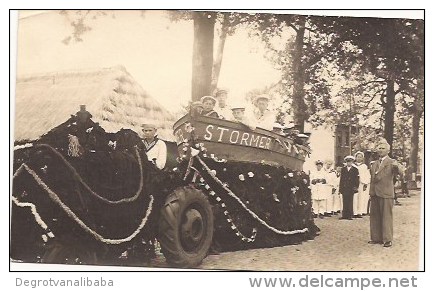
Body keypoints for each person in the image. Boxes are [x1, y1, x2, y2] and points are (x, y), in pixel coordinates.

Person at [368, 140, 402, 247]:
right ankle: (376, 237)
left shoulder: (392, 162)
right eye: (379, 148)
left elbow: (400, 173)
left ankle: (387, 239)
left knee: (386, 216)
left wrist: (397, 167)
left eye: (383, 148)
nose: (381, 150)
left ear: (388, 150)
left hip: (386, 193)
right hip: (375, 193)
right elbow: (373, 178)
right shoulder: (374, 163)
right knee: (375, 216)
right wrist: (371, 192)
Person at [338, 155, 360, 220]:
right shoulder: (343, 169)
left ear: (352, 162)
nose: (349, 163)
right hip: (344, 187)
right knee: (344, 201)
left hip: (351, 187)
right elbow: (341, 179)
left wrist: (356, 187)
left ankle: (350, 215)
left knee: (350, 201)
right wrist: (340, 188)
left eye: (350, 162)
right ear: (346, 162)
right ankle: (344, 215)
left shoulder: (355, 170)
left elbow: (357, 179)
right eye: (348, 162)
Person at [353, 151, 371, 217]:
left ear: (362, 158)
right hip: (354, 184)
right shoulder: (353, 165)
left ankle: (360, 211)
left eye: (360, 157)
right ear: (356, 157)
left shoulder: (364, 166)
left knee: (361, 197)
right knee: (355, 198)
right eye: (358, 157)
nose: (359, 158)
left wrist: (366, 183)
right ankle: (354, 212)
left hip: (361, 183)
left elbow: (367, 175)